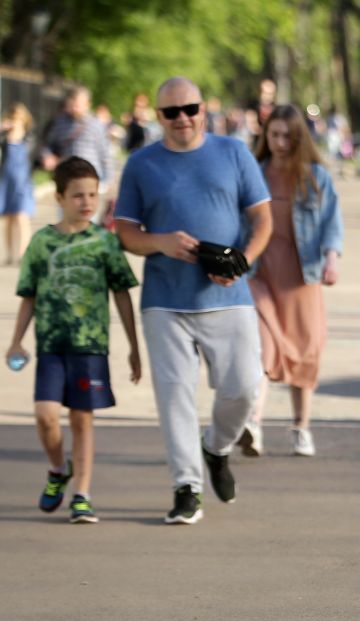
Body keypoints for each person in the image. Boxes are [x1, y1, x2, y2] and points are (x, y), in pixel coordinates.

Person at [115, 76, 273, 525]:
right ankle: (186, 487)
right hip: (166, 301)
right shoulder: (142, 163)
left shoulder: (233, 152)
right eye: (171, 112)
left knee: (244, 387)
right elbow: (125, 230)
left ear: (203, 109)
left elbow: (262, 219)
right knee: (174, 397)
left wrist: (243, 260)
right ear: (159, 117)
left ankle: (217, 446)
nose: (182, 118)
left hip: (229, 295)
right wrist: (160, 242)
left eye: (190, 108)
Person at [6, 156, 141, 524]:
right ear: (60, 198)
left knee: (82, 418)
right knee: (46, 416)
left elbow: (123, 294)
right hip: (51, 346)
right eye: (78, 195)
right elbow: (29, 295)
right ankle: (56, 469)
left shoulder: (104, 242)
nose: (87, 202)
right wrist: (16, 341)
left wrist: (133, 347)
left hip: (90, 347)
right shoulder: (42, 242)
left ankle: (82, 493)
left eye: (93, 195)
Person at [238, 104, 343, 458]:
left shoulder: (316, 177)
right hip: (259, 273)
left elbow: (332, 223)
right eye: (274, 135)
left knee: (305, 351)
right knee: (262, 348)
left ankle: (301, 427)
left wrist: (332, 257)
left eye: (287, 135)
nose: (280, 142)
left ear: (299, 138)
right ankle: (253, 422)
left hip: (302, 276)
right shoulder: (254, 173)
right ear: (265, 136)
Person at [39, 86, 114, 191]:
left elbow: (104, 153)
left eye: (78, 105)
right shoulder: (59, 123)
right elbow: (48, 145)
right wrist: (47, 155)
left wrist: (108, 179)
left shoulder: (96, 125)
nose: (74, 108)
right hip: (67, 177)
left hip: (91, 177)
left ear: (87, 104)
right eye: (72, 104)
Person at [0, 102, 36, 264]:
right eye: (12, 118)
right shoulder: (4, 139)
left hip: (22, 183)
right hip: (6, 183)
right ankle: (9, 254)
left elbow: (34, 158)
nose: (14, 122)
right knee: (8, 218)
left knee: (22, 217)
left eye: (18, 119)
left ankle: (23, 254)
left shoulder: (29, 138)